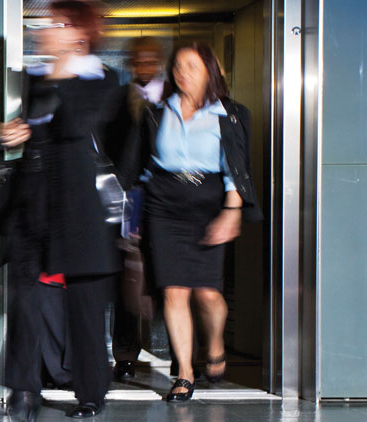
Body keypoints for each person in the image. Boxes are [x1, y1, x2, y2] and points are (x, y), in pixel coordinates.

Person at [0, 1, 131, 419]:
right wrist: (11, 133)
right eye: (46, 23)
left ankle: (91, 392)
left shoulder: (101, 78)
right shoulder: (34, 78)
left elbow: (75, 125)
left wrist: (60, 74)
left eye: (56, 23)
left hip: (80, 204)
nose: (44, 30)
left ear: (79, 33)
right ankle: (23, 389)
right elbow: (32, 132)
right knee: (25, 299)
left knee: (85, 304)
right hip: (33, 200)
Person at [130, 41, 261, 403]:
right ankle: (185, 373)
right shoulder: (157, 112)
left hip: (208, 207)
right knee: (174, 290)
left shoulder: (231, 114)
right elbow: (142, 166)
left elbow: (237, 169)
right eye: (178, 67)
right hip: (163, 207)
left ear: (210, 72)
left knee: (207, 293)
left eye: (192, 67)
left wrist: (232, 211)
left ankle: (216, 342)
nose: (182, 73)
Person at [112, 35, 165, 382]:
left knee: (166, 277)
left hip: (164, 197)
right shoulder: (119, 99)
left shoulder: (174, 98)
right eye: (138, 60)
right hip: (128, 198)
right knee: (127, 277)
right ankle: (126, 355)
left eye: (149, 59)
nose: (143, 66)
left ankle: (178, 354)